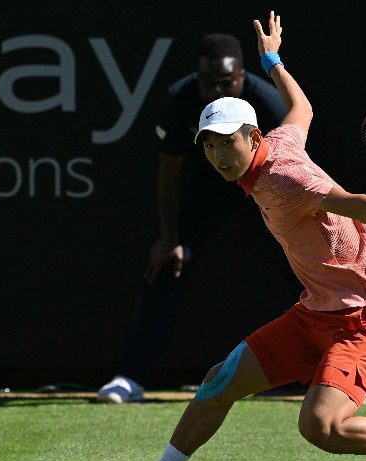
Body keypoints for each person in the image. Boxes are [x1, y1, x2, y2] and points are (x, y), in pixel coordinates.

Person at [93, 11, 366, 461]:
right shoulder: (280, 141)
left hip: (360, 321)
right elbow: (302, 107)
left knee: (322, 427)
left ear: (251, 136)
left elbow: (356, 203)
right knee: (219, 382)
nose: (220, 156)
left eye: (228, 143)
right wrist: (272, 59)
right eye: (209, 146)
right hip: (314, 312)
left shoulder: (285, 178)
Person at [97, 32, 290, 403]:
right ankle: (129, 377)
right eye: (208, 82)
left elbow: (292, 163)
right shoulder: (179, 100)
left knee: (303, 265)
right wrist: (170, 236)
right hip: (203, 194)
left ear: (241, 77)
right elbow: (168, 169)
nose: (217, 90)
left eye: (226, 82)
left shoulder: (268, 103)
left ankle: (329, 370)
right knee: (168, 264)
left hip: (264, 189)